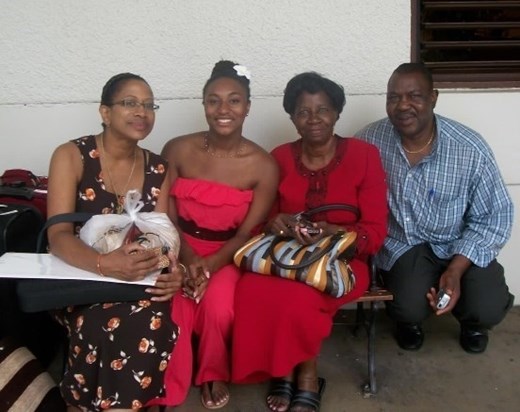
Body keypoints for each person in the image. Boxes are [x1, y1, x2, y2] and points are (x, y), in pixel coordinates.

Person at [231, 72, 388, 412]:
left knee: (300, 297)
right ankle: (283, 369)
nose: (314, 118)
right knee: (251, 289)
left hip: (343, 262)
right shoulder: (280, 158)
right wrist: (277, 223)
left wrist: (334, 233)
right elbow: (263, 220)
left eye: (323, 109)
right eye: (304, 111)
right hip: (286, 257)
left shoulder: (365, 156)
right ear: (292, 116)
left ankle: (303, 374)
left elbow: (375, 229)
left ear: (337, 113)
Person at [46, 72, 184, 411]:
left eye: (149, 105)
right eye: (130, 103)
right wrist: (105, 264)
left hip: (137, 280)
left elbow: (161, 239)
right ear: (104, 112)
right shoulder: (72, 156)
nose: (142, 112)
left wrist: (172, 273)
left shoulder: (159, 168)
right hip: (81, 277)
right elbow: (58, 237)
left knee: (152, 319)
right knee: (100, 322)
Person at [356, 62, 515, 354]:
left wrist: (455, 268)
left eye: (414, 95)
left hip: (459, 244)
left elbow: (494, 217)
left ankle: (473, 324)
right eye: (393, 97)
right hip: (406, 244)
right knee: (406, 305)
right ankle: (410, 322)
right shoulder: (369, 141)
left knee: (488, 305)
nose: (403, 105)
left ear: (433, 97)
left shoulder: (469, 147)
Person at [149, 60, 279, 410]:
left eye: (234, 100)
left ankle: (212, 372)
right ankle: (164, 383)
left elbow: (247, 233)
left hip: (229, 253)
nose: (223, 109)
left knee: (219, 308)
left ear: (247, 107)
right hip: (178, 245)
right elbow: (164, 216)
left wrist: (208, 266)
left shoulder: (263, 165)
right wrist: (187, 258)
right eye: (213, 100)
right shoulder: (177, 149)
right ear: (204, 104)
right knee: (175, 304)